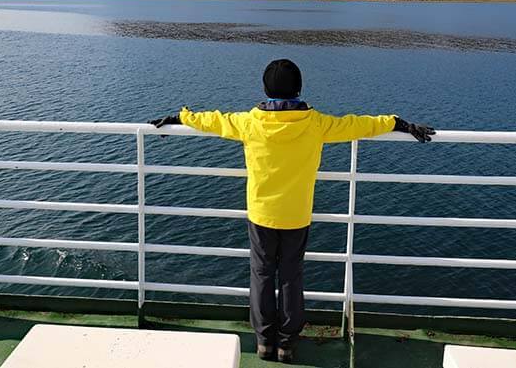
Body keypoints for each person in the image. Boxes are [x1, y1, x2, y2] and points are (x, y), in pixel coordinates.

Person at [150, 58, 434, 363]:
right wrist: (398, 122)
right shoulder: (316, 124)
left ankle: (263, 342)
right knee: (291, 277)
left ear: (265, 89)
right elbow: (359, 124)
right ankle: (286, 343)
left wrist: (181, 117)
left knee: (261, 275)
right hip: (297, 215)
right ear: (299, 88)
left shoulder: (249, 123)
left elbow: (213, 120)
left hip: (261, 214)